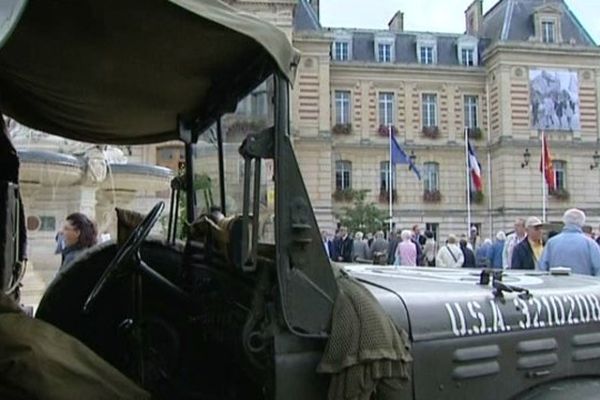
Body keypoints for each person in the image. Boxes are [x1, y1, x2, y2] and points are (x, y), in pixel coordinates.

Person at [539, 209, 600, 276]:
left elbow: (542, 268)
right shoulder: (590, 244)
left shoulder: (551, 243)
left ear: (564, 221)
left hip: (556, 285)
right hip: (584, 284)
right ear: (582, 223)